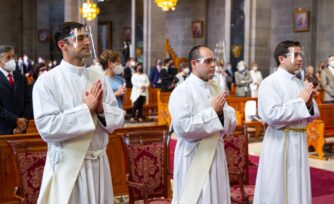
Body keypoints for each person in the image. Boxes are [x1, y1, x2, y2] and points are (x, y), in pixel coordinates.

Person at [33, 22, 124, 204]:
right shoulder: (47, 82)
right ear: (62, 45)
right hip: (70, 165)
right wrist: (85, 110)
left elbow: (118, 118)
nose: (87, 42)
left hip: (99, 163)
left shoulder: (99, 78)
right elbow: (47, 128)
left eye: (86, 37)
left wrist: (100, 110)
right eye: (79, 38)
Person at [253, 40, 319, 204]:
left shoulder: (298, 82)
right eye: (295, 54)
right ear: (281, 58)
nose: (300, 59)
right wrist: (300, 103)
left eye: (300, 54)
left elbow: (311, 114)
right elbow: (271, 115)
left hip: (298, 140)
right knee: (277, 187)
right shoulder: (270, 83)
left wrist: (309, 105)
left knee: (297, 184)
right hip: (279, 141)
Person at [169, 45, 236, 204]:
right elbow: (183, 127)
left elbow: (232, 120)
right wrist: (213, 112)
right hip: (194, 156)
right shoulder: (182, 91)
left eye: (214, 60)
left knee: (216, 197)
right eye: (208, 61)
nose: (213, 64)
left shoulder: (216, 88)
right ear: (194, 63)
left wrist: (219, 113)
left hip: (216, 153)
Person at [0, 45, 33, 134]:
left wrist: (23, 122)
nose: (12, 60)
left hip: (23, 128)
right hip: (3, 130)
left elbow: (28, 102)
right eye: (8, 57)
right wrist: (16, 121)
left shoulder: (21, 78)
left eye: (13, 56)